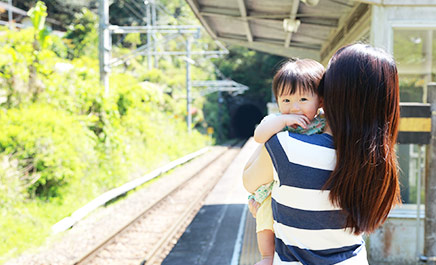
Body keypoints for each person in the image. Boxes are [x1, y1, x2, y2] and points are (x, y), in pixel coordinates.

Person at [243, 43, 401, 264]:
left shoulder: (285, 147)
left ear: (329, 93)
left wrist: (275, 129)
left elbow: (249, 181)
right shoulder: (377, 161)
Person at [249, 59, 326, 265]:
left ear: (320, 101)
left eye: (303, 99)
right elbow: (258, 136)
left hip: (299, 186)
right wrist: (281, 122)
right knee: (265, 218)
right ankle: (267, 256)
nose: (294, 108)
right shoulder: (276, 121)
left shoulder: (323, 122)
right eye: (286, 101)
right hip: (272, 185)